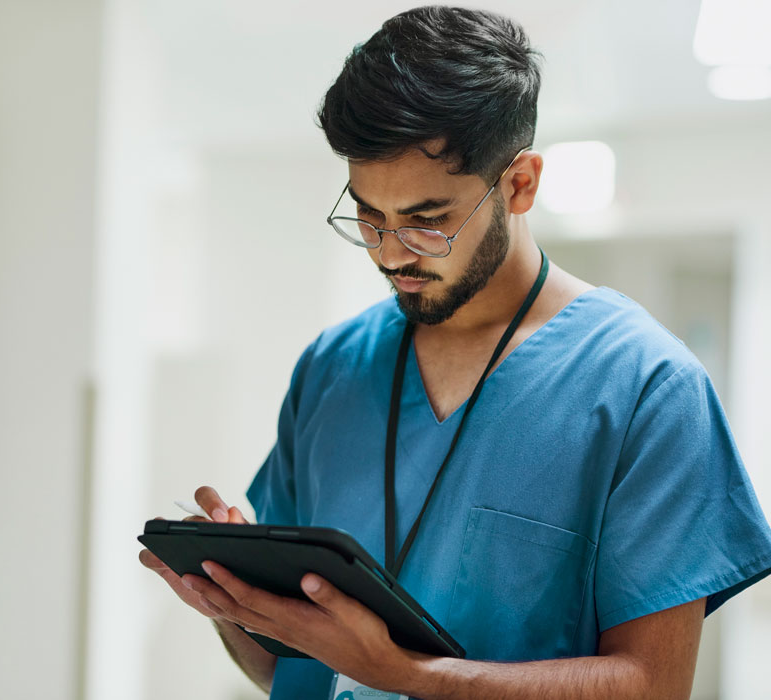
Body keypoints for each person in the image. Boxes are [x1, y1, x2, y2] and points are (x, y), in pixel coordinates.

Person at [139, 6, 771, 699]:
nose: (390, 253)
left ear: (520, 184)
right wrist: (233, 607)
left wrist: (405, 674)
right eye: (369, 218)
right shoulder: (333, 367)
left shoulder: (644, 386)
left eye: (428, 222)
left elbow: (653, 685)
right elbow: (296, 670)